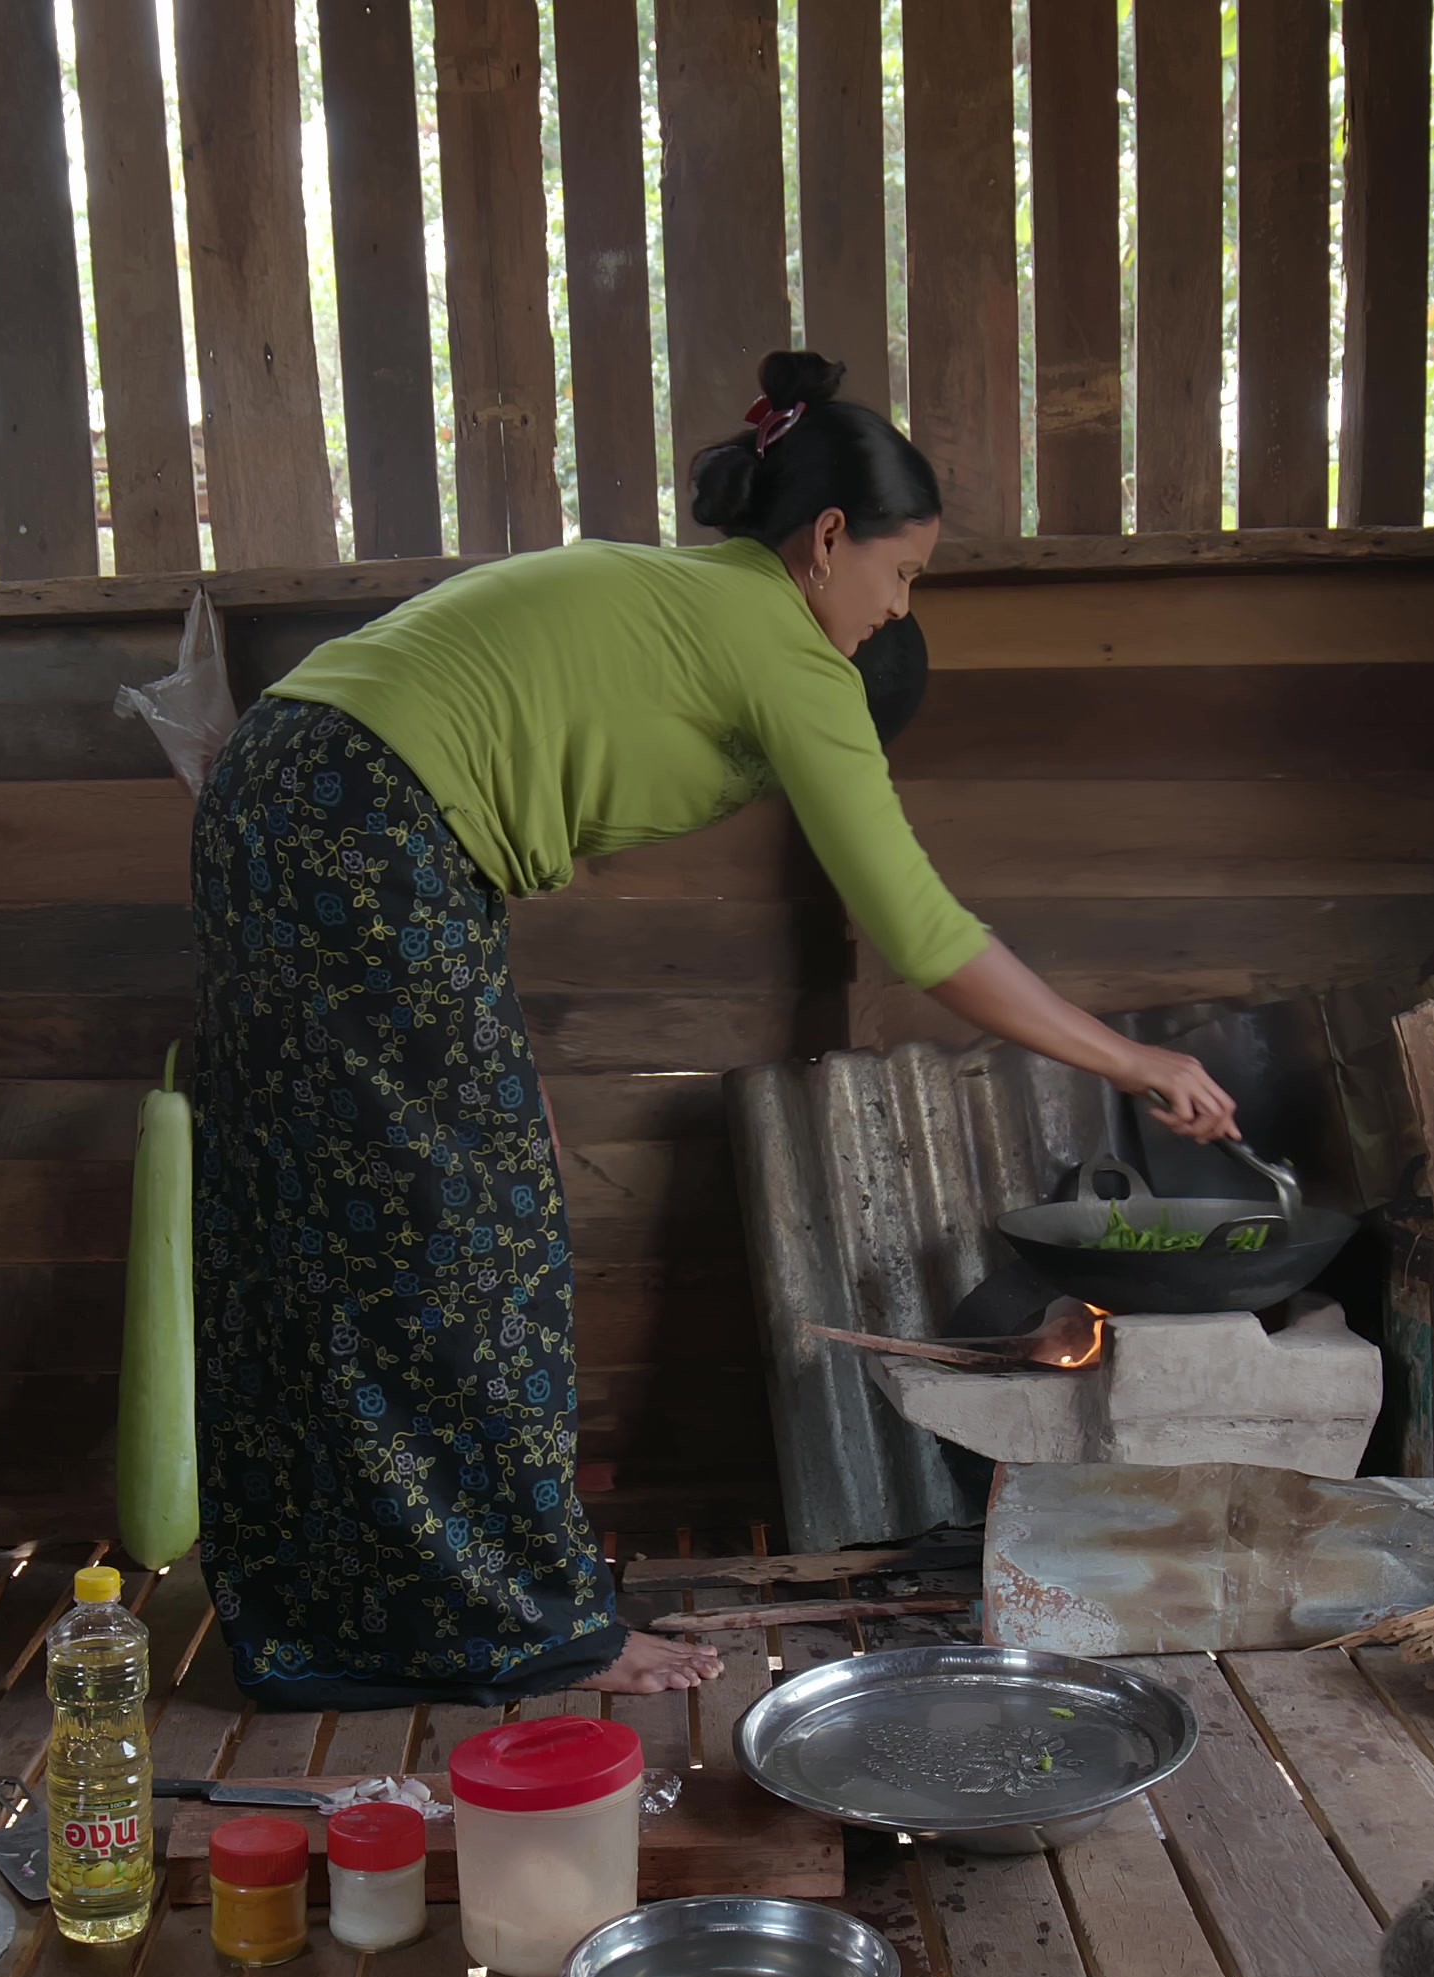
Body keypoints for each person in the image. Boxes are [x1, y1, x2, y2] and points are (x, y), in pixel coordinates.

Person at [188, 351, 1241, 1711]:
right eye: (903, 576)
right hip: (363, 824)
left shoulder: (683, 600)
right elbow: (926, 936)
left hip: (277, 793)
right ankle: (534, 1628)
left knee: (317, 1223)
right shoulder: (794, 653)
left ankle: (316, 1621)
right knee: (473, 1252)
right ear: (826, 541)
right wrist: (1138, 1058)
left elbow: (455, 775)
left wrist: (493, 1068)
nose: (895, 610)